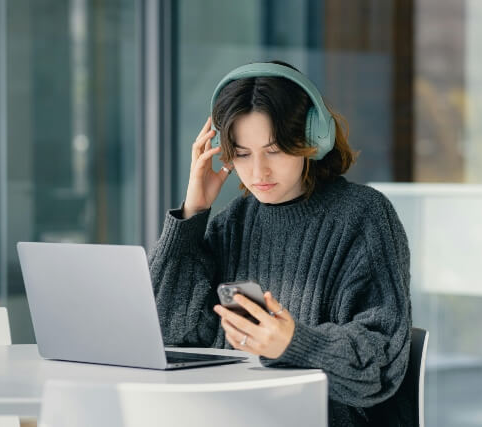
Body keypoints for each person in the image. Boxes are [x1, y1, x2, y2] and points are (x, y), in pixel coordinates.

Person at [148, 60, 412, 427]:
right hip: (226, 413)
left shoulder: (363, 216)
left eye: (273, 150)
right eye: (242, 153)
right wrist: (193, 214)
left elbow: (380, 362)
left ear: (312, 140)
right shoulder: (233, 222)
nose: (258, 172)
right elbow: (172, 334)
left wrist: (293, 343)